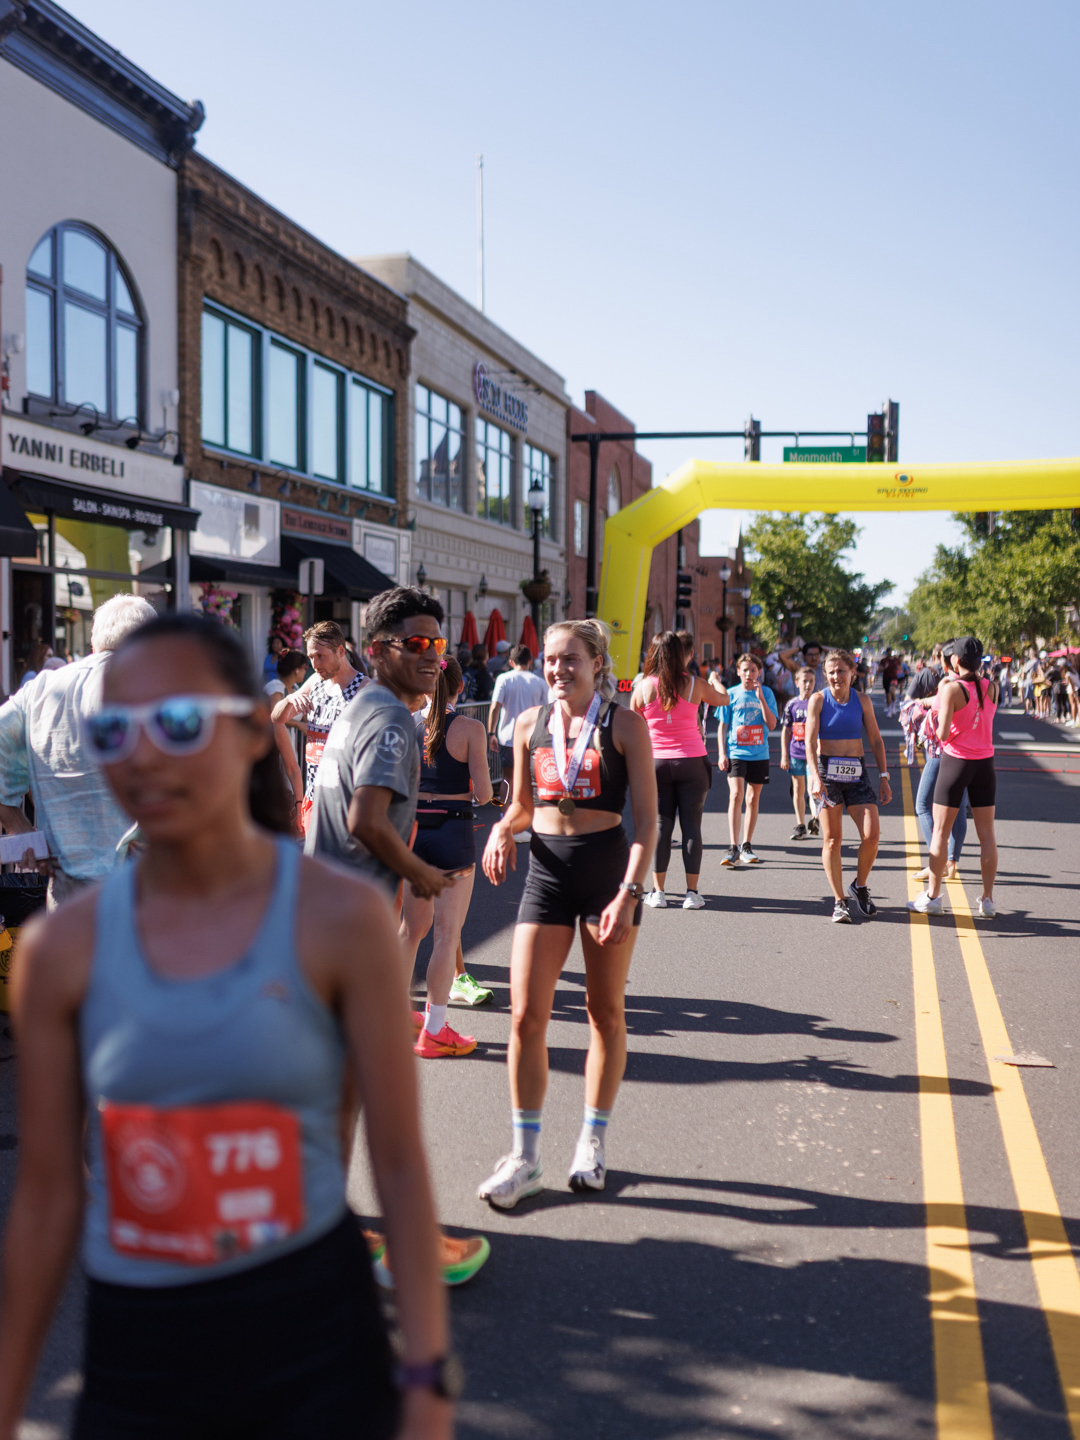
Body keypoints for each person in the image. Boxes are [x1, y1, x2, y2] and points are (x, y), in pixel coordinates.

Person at [0, 612, 454, 1439]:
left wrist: (425, 1376)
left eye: (177, 722)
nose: (141, 755)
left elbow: (396, 1160)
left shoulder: (339, 920)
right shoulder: (60, 952)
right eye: (114, 729)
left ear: (249, 732)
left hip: (313, 1342)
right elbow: (45, 1195)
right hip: (138, 1356)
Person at [304, 587, 489, 1287]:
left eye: (439, 646)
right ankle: (388, 1249)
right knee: (377, 1098)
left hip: (325, 928)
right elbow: (366, 821)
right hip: (345, 938)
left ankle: (332, 1232)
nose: (433, 658)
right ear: (376, 651)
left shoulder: (361, 709)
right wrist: (424, 875)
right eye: (417, 644)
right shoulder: (388, 723)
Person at [478, 620, 656, 1207]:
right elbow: (523, 807)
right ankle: (525, 1157)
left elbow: (649, 825)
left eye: (570, 660)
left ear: (597, 663)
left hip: (607, 874)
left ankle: (592, 1140)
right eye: (551, 660)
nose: (557, 670)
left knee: (603, 1011)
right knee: (526, 1016)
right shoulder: (530, 725)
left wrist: (630, 893)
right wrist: (503, 829)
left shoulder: (625, 725)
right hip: (547, 876)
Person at [0, 593, 157, 910]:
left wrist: (24, 832)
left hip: (68, 898)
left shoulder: (40, 691)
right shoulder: (161, 687)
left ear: (95, 642)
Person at [401, 656, 493, 1058]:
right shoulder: (471, 728)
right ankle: (435, 1028)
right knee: (445, 935)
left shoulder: (407, 724)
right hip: (454, 831)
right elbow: (485, 794)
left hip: (414, 831)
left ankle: (399, 1015)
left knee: (410, 930)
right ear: (459, 688)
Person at [631, 630, 727, 908]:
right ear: (679, 654)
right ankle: (692, 893)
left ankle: (658, 892)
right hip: (692, 762)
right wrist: (717, 682)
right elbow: (723, 700)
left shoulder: (643, 687)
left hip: (657, 763)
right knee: (692, 827)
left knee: (661, 826)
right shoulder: (695, 684)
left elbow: (635, 725)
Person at [909, 636, 999, 919]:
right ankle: (987, 900)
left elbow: (943, 734)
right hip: (985, 763)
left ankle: (933, 897)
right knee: (987, 836)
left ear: (955, 661)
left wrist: (933, 718)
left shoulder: (951, 689)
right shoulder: (992, 687)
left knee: (940, 832)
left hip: (956, 763)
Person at [805, 649, 892, 922]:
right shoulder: (817, 700)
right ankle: (839, 899)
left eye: (841, 671)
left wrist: (884, 776)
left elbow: (876, 740)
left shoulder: (862, 701)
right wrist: (815, 776)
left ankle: (860, 886)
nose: (835, 676)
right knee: (832, 840)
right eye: (830, 672)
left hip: (857, 772)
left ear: (852, 673)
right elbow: (809, 743)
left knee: (871, 834)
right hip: (828, 774)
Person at [271, 620, 365, 834]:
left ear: (341, 651)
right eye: (311, 657)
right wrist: (290, 700)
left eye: (320, 656)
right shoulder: (315, 682)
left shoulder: (364, 688)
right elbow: (276, 718)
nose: (315, 664)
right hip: (314, 796)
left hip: (347, 800)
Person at [906, 643, 966, 881]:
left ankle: (936, 861)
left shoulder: (946, 685)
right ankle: (951, 861)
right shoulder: (979, 686)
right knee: (959, 809)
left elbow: (939, 722)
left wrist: (923, 704)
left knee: (922, 804)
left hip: (943, 752)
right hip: (968, 755)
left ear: (946, 661)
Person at [717, 653, 778, 866]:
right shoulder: (731, 694)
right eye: (745, 670)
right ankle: (732, 846)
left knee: (752, 798)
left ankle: (746, 844)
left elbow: (771, 724)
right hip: (736, 752)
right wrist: (722, 753)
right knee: (736, 794)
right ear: (738, 672)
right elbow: (723, 724)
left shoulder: (767, 693)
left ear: (759, 672)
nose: (749, 674)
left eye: (753, 670)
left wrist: (760, 697)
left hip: (759, 753)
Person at [488, 645, 546, 826]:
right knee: (532, 780)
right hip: (533, 738)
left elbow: (494, 707)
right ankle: (530, 818)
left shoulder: (504, 678)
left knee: (507, 779)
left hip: (508, 736)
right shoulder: (540, 682)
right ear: (530, 661)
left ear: (511, 662)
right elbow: (547, 711)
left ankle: (505, 816)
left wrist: (491, 733)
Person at [265, 649, 309, 817]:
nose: (307, 670)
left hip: (289, 741)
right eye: (305, 666)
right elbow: (274, 715)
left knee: (291, 775)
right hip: (276, 741)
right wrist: (298, 725)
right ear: (296, 669)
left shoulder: (296, 688)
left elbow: (305, 714)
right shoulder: (276, 687)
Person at [780, 666, 816, 840]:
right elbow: (785, 731)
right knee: (798, 789)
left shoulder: (818, 702)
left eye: (811, 681)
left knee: (811, 788)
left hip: (813, 754)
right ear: (797, 683)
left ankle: (815, 820)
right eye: (804, 681)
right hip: (796, 752)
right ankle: (801, 824)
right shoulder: (792, 704)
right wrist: (784, 755)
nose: (808, 685)